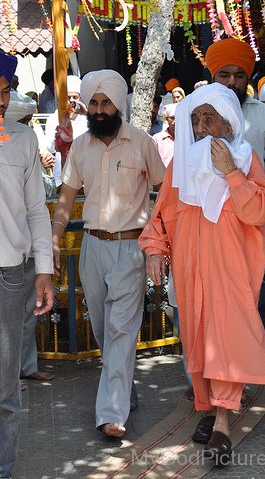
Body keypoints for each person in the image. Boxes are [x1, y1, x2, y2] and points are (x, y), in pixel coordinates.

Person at [139, 83, 265, 463]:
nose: (200, 126)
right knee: (198, 341)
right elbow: (160, 217)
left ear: (228, 123)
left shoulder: (247, 162)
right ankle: (209, 407)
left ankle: (222, 422)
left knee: (226, 342)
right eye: (196, 119)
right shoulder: (180, 166)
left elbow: (260, 212)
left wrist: (231, 174)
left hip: (232, 274)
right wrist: (154, 249)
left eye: (209, 118)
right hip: (190, 273)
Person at [51, 69, 165, 438]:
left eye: (106, 103)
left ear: (119, 104)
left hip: (131, 248)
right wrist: (54, 238)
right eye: (94, 103)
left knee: (120, 329)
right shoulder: (82, 146)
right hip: (92, 249)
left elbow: (165, 191)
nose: (99, 110)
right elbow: (67, 197)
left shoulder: (142, 142)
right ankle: (123, 385)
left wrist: (157, 239)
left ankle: (110, 414)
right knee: (102, 328)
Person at [205, 38, 265, 375]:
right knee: (214, 302)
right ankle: (218, 368)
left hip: (255, 227)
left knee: (263, 296)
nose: (231, 82)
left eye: (238, 75)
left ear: (248, 78)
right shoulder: (198, 114)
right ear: (213, 76)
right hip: (210, 229)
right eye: (223, 74)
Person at [0, 50, 54, 478]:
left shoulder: (22, 138)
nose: (1, 102)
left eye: (4, 93)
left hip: (9, 277)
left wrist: (44, 271)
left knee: (4, 387)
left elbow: (37, 210)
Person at [5, 90, 56, 382]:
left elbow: (38, 205)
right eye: (24, 120)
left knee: (26, 313)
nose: (28, 125)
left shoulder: (26, 144)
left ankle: (23, 368)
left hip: (24, 254)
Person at [44, 75, 88, 187]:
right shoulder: (54, 118)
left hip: (85, 172)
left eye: (75, 97)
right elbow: (49, 146)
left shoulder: (87, 119)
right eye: (68, 97)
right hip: (62, 173)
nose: (72, 101)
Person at [153, 103, 177, 167]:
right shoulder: (157, 139)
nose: (175, 121)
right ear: (167, 119)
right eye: (172, 118)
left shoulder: (187, 139)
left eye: (178, 117)